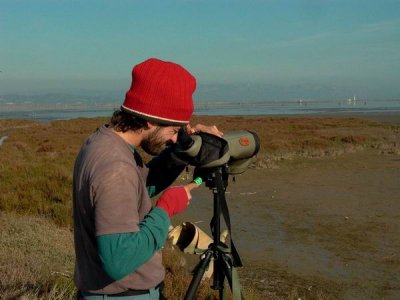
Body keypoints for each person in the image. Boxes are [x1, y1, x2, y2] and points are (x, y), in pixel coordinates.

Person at [73, 58, 223, 299]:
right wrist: (166, 209)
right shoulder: (115, 167)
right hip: (123, 295)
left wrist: (182, 151)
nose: (175, 138)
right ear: (151, 119)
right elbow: (119, 259)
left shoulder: (106, 144)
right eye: (174, 130)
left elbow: (141, 185)